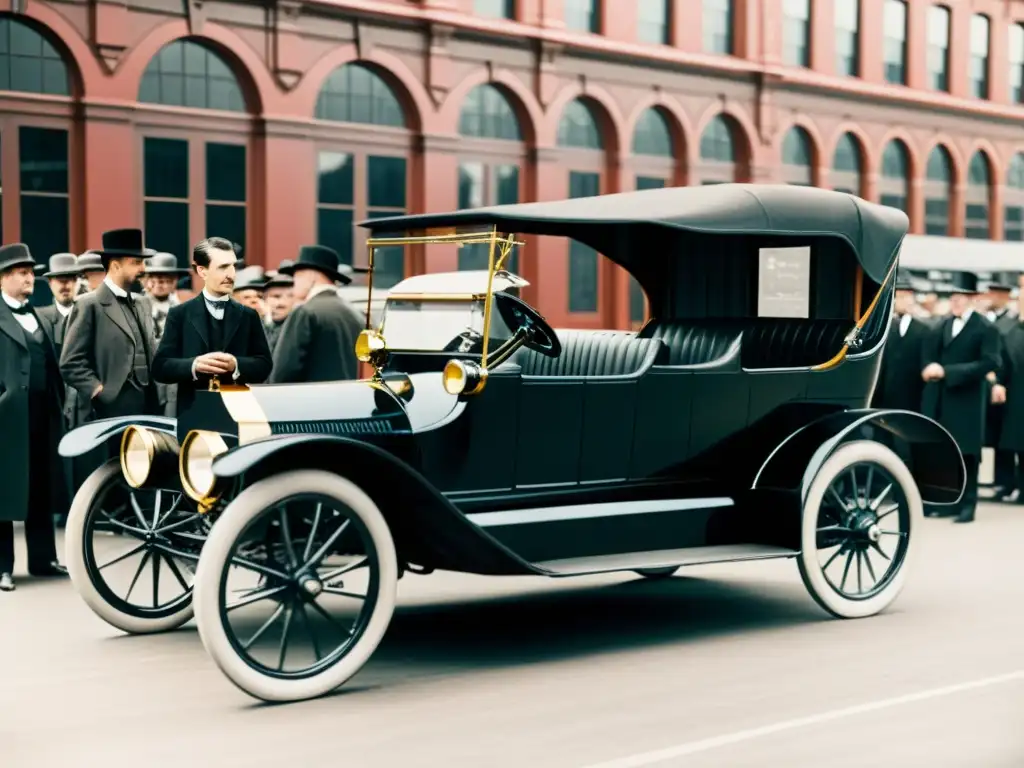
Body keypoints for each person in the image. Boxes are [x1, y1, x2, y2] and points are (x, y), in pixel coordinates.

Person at [0, 243, 69, 591]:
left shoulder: (39, 315)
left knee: (40, 485)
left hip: (43, 414)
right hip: (7, 417)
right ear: (4, 278)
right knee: (4, 490)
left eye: (30, 272)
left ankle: (43, 559)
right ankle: (2, 567)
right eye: (22, 273)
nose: (30, 278)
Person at [152, 237, 273, 416]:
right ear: (202, 271)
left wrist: (236, 365)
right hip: (192, 413)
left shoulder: (248, 315)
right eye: (223, 267)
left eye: (233, 266)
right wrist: (194, 365)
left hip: (238, 413)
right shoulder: (180, 314)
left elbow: (264, 365)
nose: (231, 274)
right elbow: (161, 368)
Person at [919, 272, 1002, 524]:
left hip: (967, 399)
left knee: (967, 453)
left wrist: (949, 372)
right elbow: (930, 354)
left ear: (973, 299)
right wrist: (928, 366)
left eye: (961, 297)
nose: (955, 301)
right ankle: (948, 502)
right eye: (953, 296)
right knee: (945, 450)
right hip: (941, 397)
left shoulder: (986, 328)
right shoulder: (943, 324)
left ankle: (968, 505)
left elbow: (991, 362)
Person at [60, 229, 158, 421]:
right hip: (109, 409)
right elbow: (70, 363)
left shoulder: (143, 303)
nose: (143, 269)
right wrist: (99, 390)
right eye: (136, 262)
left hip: (148, 405)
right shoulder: (89, 304)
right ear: (115, 266)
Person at [269, 245, 364, 383]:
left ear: (311, 276)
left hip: (312, 400)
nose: (294, 285)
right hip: (350, 399)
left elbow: (284, 370)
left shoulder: (305, 312)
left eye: (296, 278)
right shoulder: (356, 313)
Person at [142, 253, 189, 417]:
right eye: (155, 279)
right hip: (147, 377)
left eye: (166, 280)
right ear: (148, 280)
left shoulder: (183, 309)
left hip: (173, 378)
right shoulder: (138, 306)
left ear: (175, 282)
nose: (160, 284)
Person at [872, 277, 928, 412]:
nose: (901, 300)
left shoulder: (924, 329)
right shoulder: (882, 327)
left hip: (913, 395)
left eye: (905, 296)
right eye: (898, 296)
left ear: (913, 299)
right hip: (883, 395)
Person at [36, 253, 80, 348]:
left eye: (69, 279)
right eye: (59, 279)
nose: (64, 285)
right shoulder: (40, 319)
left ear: (77, 282)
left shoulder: (90, 314)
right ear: (50, 284)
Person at [263, 262, 295, 353]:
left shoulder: (301, 330)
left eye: (290, 296)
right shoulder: (257, 327)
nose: (281, 303)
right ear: (265, 299)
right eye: (275, 296)